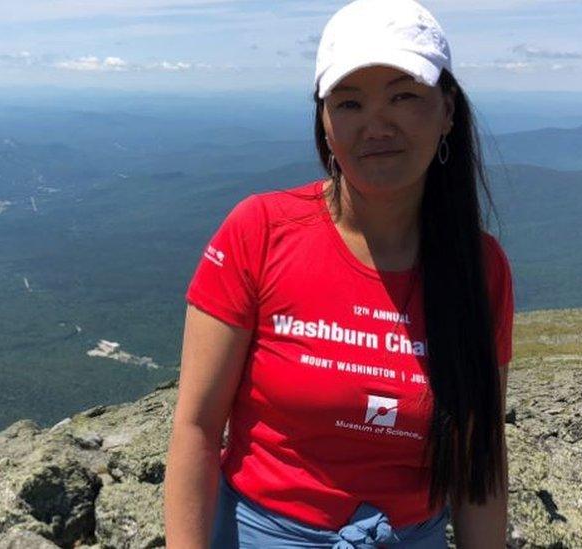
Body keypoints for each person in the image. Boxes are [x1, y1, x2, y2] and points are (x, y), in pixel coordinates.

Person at [163, 0, 514, 547]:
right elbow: (197, 427)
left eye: (403, 96)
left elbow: (478, 465)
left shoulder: (479, 269)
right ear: (325, 124)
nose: (376, 125)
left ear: (447, 111)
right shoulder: (259, 230)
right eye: (349, 102)